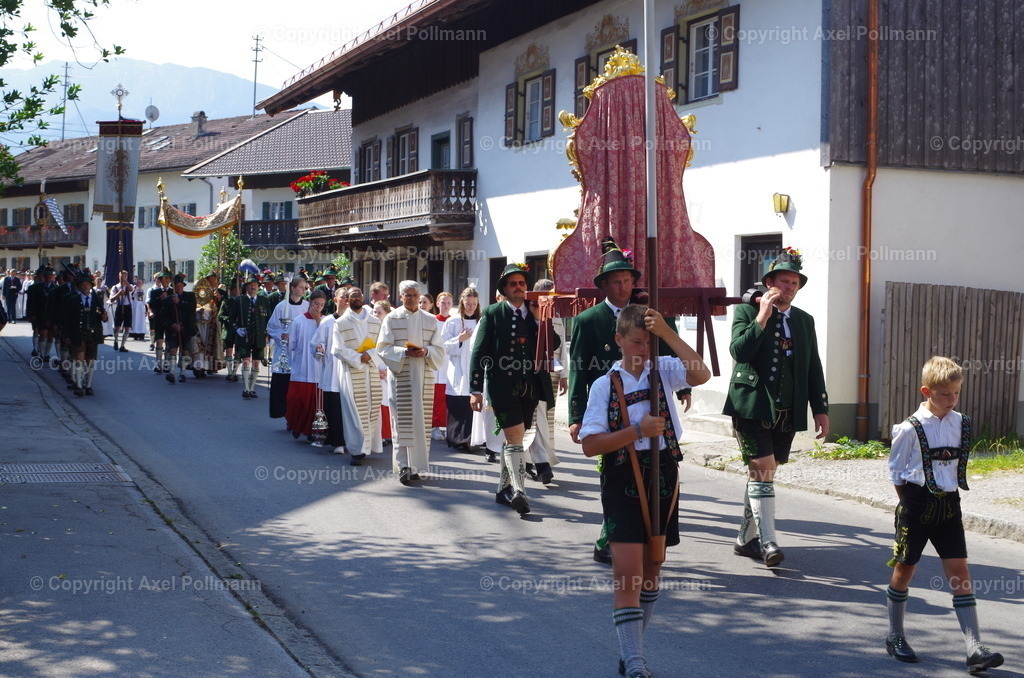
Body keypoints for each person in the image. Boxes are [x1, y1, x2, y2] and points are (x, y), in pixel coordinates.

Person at [580, 305, 710, 678]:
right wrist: (637, 431)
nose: (643, 350)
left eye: (649, 343)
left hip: (664, 474)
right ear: (619, 340)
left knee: (653, 568)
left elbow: (701, 374)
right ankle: (636, 662)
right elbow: (590, 445)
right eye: (637, 342)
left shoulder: (663, 369)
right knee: (629, 574)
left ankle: (631, 649)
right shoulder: (605, 385)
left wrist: (666, 333)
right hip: (622, 477)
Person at [568, 237, 691, 564]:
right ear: (604, 285)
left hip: (650, 401)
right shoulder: (588, 320)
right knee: (617, 469)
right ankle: (612, 533)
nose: (622, 287)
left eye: (627, 280)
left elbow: (673, 357)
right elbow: (579, 368)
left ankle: (619, 537)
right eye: (616, 281)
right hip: (607, 405)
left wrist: (684, 390)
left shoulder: (652, 316)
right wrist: (576, 415)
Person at [883, 356, 1004, 671]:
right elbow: (896, 472)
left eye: (956, 393)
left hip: (950, 505)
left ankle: (974, 648)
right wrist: (911, 505)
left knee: (960, 572)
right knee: (905, 569)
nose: (952, 400)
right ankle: (895, 636)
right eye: (945, 394)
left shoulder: (960, 422)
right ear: (926, 391)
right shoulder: (909, 428)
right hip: (916, 504)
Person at [724, 247, 829, 568]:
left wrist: (820, 408)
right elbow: (739, 352)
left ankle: (745, 539)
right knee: (763, 467)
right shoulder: (746, 312)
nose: (790, 287)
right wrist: (762, 316)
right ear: (769, 283)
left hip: (787, 411)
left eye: (794, 283)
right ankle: (768, 541)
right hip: (751, 405)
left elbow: (813, 366)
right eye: (784, 281)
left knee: (764, 473)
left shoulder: (804, 320)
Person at [470, 263, 558, 516]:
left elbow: (553, 344)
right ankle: (519, 491)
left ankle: (502, 489)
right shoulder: (492, 313)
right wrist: (475, 389)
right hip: (502, 386)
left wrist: (540, 320)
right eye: (513, 284)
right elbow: (479, 352)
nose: (518, 287)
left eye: (521, 283)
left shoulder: (536, 311)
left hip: (530, 387)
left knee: (513, 439)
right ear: (504, 289)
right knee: (516, 435)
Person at [376, 280, 445, 485]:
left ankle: (418, 466)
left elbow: (440, 350)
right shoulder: (391, 318)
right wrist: (404, 352)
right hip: (401, 377)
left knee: (420, 422)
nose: (412, 298)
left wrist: (426, 351)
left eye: (415, 295)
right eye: (408, 295)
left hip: (423, 376)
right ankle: (404, 466)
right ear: (400, 297)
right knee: (401, 422)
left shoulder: (430, 320)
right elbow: (382, 348)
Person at [333, 286, 384, 463]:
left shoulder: (375, 322)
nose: (356, 298)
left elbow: (383, 344)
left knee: (372, 406)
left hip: (371, 370)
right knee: (354, 411)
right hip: (351, 372)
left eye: (359, 295)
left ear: (363, 298)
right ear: (347, 300)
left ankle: (369, 446)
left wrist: (370, 355)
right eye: (352, 296)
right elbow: (337, 349)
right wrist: (358, 358)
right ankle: (356, 451)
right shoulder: (340, 323)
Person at [526, 278, 567, 485]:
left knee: (544, 420)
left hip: (551, 373)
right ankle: (539, 464)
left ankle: (538, 462)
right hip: (528, 374)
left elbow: (562, 345)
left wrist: (564, 375)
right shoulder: (526, 314)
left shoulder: (556, 315)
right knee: (533, 418)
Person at [441, 287, 480, 450]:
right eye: (468, 303)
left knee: (472, 406)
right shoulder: (453, 321)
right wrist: (459, 339)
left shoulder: (481, 322)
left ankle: (472, 439)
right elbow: (442, 346)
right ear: (462, 303)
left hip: (475, 368)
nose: (471, 307)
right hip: (457, 369)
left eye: (474, 304)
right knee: (458, 404)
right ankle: (456, 439)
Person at [266, 275, 310, 421]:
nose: (304, 290)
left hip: (300, 350)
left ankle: (295, 414)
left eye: (305, 287)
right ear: (292, 288)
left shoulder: (307, 306)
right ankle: (284, 412)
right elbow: (271, 327)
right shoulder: (281, 306)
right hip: (284, 350)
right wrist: (282, 336)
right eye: (301, 287)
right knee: (283, 384)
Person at [285, 290, 326, 438]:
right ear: (310, 302)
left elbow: (328, 341)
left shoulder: (326, 321)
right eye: (316, 303)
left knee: (315, 404)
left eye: (322, 305)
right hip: (301, 365)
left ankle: (312, 430)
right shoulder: (298, 321)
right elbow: (292, 345)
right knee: (297, 399)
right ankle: (296, 425)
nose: (318, 307)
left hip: (318, 368)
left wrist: (318, 321)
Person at [311, 288, 348, 451]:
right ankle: (337, 441)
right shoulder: (327, 322)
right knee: (334, 408)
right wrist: (319, 347)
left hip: (351, 370)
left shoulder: (355, 320)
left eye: (348, 297)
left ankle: (351, 441)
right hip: (332, 371)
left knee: (349, 410)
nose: (346, 300)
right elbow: (317, 342)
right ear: (335, 300)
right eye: (343, 297)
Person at [62, 268, 109, 396]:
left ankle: (88, 385)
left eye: (87, 284)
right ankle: (78, 385)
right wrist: (67, 335)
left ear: (90, 286)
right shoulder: (73, 300)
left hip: (93, 334)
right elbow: (67, 320)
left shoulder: (96, 299)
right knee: (79, 357)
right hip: (78, 333)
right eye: (82, 284)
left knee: (90, 359)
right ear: (79, 286)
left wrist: (105, 317)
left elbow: (103, 316)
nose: (85, 286)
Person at [231, 272, 272, 399]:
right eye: (250, 285)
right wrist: (237, 329)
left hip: (259, 337)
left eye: (255, 285)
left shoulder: (264, 300)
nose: (253, 287)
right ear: (246, 287)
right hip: (244, 336)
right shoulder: (239, 300)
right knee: (245, 361)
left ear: (258, 286)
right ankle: (246, 389)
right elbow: (231, 319)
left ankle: (252, 388)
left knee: (256, 363)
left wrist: (270, 335)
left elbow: (269, 319)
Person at [160, 273, 197, 383]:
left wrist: (179, 302)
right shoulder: (168, 299)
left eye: (181, 286)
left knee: (185, 351)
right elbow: (163, 316)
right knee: (173, 349)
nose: (179, 288)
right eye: (177, 286)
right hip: (173, 329)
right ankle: (172, 372)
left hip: (186, 328)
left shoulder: (190, 296)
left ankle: (182, 373)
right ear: (174, 287)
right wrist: (172, 325)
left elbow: (192, 309)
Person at [430, 291, 452, 440]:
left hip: (449, 363)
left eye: (448, 303)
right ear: (437, 304)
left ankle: (448, 426)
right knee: (436, 397)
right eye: (443, 302)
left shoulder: (454, 321)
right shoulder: (432, 321)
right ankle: (435, 426)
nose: (446, 305)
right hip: (436, 363)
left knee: (447, 397)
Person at [372, 300, 394, 448]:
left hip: (385, 372)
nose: (375, 315)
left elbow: (392, 351)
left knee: (385, 402)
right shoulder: (369, 328)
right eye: (374, 311)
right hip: (373, 370)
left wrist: (387, 370)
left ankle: (386, 434)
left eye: (379, 312)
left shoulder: (390, 330)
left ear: (386, 314)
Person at [148, 269, 173, 373]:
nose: (165, 280)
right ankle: (158, 364)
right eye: (163, 278)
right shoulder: (155, 292)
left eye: (167, 278)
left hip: (170, 319)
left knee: (168, 342)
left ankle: (166, 363)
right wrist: (160, 298)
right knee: (159, 341)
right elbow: (151, 304)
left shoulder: (173, 292)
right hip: (159, 319)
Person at [108, 270, 134, 352]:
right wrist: (118, 293)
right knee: (117, 326)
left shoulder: (129, 285)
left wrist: (125, 281)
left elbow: (131, 289)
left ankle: (122, 345)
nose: (123, 278)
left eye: (125, 276)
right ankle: (116, 340)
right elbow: (111, 299)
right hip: (119, 307)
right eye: (122, 276)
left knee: (127, 327)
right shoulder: (115, 287)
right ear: (119, 277)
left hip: (128, 307)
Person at [130, 276, 148, 341]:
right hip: (135, 306)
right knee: (135, 320)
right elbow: (131, 297)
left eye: (140, 283)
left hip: (141, 306)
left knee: (141, 320)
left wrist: (146, 310)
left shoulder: (143, 291)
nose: (139, 284)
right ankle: (135, 333)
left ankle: (141, 333)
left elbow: (144, 300)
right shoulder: (134, 291)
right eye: (138, 283)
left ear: (142, 284)